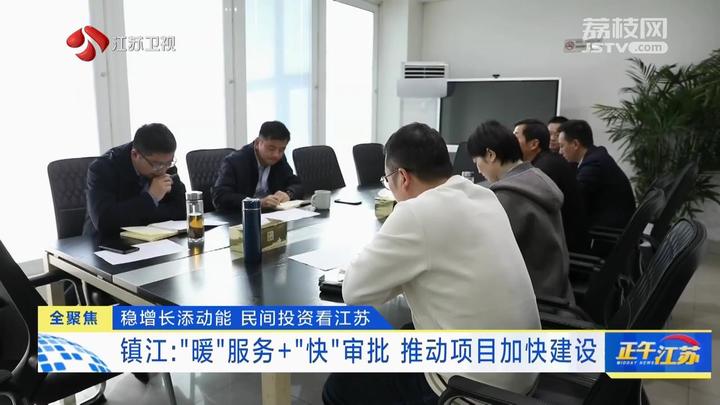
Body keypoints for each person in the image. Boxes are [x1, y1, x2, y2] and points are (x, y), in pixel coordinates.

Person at [322, 123, 540, 405]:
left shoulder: (416, 212)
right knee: (404, 332)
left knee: (339, 386)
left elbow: (354, 291)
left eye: (387, 180)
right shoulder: (485, 196)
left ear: (402, 177)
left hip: (469, 389)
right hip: (522, 375)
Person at [468, 120, 573, 303]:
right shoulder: (535, 177)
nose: (478, 169)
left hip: (533, 298)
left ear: (490, 155)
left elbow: (485, 255)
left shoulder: (509, 196)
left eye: (476, 161)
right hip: (556, 288)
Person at [83, 123, 187, 236]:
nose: (163, 171)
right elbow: (105, 221)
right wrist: (151, 198)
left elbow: (182, 209)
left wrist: (138, 214)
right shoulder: (103, 168)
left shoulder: (165, 165)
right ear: (135, 154)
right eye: (157, 165)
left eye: (169, 163)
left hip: (155, 239)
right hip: (107, 241)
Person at [514, 119, 590, 253]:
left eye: (515, 136)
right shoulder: (548, 161)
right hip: (561, 242)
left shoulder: (544, 169)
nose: (510, 142)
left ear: (534, 144)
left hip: (562, 250)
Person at [558, 119, 636, 229]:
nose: (560, 152)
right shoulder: (596, 155)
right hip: (613, 222)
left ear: (575, 144)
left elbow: (575, 198)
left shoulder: (593, 164)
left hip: (608, 229)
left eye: (562, 146)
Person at [212, 121, 302, 210]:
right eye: (271, 148)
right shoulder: (235, 161)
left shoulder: (279, 160)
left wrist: (288, 194)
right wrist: (257, 203)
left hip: (272, 214)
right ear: (257, 143)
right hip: (242, 215)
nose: (276, 155)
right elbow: (220, 197)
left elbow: (297, 184)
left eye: (282, 150)